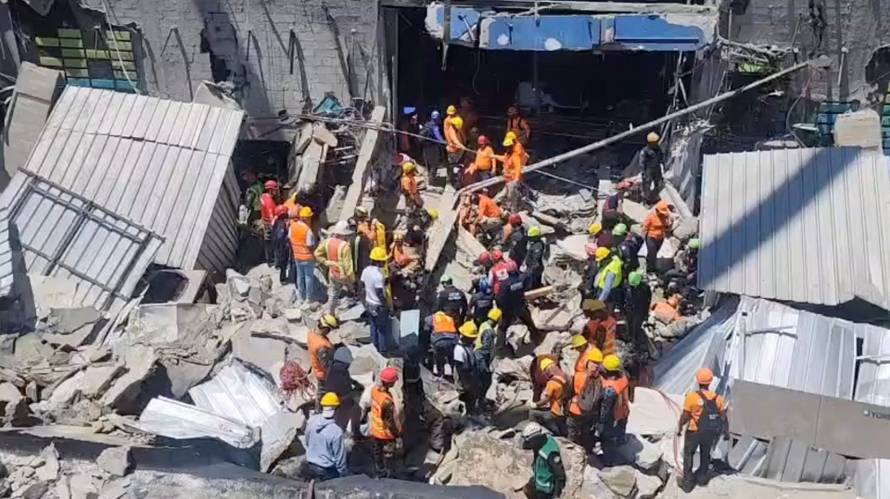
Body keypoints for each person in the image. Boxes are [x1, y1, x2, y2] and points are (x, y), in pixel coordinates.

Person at [677, 368, 729, 492]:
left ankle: (687, 484)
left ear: (698, 380)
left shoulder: (692, 397)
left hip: (693, 431)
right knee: (705, 454)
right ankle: (702, 478)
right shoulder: (718, 398)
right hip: (709, 432)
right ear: (710, 382)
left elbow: (686, 415)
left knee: (689, 455)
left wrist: (679, 426)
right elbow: (723, 417)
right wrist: (726, 432)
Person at [495, 261, 541, 352]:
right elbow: (527, 286)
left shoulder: (505, 284)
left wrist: (501, 309)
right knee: (529, 322)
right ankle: (537, 338)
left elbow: (499, 298)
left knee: (502, 327)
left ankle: (500, 346)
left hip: (508, 309)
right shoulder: (521, 279)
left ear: (507, 272)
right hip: (520, 306)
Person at [302, 392, 348, 480]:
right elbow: (340, 459)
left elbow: (307, 441)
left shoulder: (312, 421)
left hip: (310, 466)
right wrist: (343, 475)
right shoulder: (336, 431)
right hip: (326, 471)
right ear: (337, 409)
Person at [567, 344, 603, 452]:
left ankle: (572, 452)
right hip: (590, 413)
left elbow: (568, 392)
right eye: (594, 363)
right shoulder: (599, 380)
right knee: (586, 434)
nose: (595, 366)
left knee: (572, 433)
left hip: (576, 411)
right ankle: (587, 452)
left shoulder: (578, 376)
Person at [315, 221, 356, 313]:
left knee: (333, 293)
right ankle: (352, 300)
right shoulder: (345, 246)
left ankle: (331, 312)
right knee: (352, 290)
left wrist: (326, 262)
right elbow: (348, 266)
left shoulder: (327, 242)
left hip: (332, 272)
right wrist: (352, 280)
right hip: (343, 274)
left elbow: (317, 253)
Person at [370, 367, 401, 478]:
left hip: (375, 430)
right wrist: (397, 435)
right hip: (385, 434)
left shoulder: (374, 390)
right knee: (388, 455)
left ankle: (379, 472)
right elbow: (390, 422)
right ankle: (389, 477)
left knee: (377, 454)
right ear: (390, 382)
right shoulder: (387, 402)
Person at [521, 423, 566, 499]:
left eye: (529, 441)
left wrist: (556, 494)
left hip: (545, 489)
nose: (528, 443)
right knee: (527, 489)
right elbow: (525, 446)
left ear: (536, 438)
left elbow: (560, 474)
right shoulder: (539, 442)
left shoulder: (550, 453)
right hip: (537, 480)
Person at [361, 247, 392, 354]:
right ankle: (383, 351)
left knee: (373, 326)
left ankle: (374, 349)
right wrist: (387, 306)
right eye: (383, 261)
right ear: (378, 261)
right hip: (379, 306)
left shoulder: (366, 270)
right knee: (382, 329)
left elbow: (363, 285)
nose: (385, 263)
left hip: (369, 303)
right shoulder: (378, 276)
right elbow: (380, 293)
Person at [599, 354, 630, 452]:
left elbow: (605, 409)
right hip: (624, 411)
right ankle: (621, 444)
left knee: (607, 438)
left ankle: (609, 459)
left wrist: (600, 422)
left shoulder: (610, 388)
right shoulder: (623, 377)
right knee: (620, 433)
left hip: (613, 417)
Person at [529, 358, 567, 436]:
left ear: (548, 369)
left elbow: (545, 400)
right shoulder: (564, 377)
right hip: (563, 409)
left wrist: (535, 404)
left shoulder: (552, 383)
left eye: (545, 371)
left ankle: (536, 432)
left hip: (554, 411)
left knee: (533, 413)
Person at [454, 321, 484, 415]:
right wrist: (465, 383)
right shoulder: (459, 350)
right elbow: (460, 369)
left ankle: (471, 412)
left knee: (473, 395)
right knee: (467, 397)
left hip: (470, 376)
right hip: (464, 377)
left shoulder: (467, 346)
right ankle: (467, 415)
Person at [290, 206, 317, 304]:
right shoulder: (307, 230)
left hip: (297, 256)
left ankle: (301, 296)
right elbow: (310, 245)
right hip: (308, 258)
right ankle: (309, 298)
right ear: (307, 218)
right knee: (308, 277)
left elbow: (290, 238)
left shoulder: (293, 226)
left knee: (300, 276)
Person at [308, 314, 339, 394]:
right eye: (329, 330)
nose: (329, 332)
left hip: (317, 368)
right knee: (323, 393)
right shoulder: (321, 347)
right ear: (325, 328)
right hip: (323, 375)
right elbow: (327, 366)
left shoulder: (312, 333)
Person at [624, 271, 652, 351]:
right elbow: (624, 297)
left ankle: (636, 344)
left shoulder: (645, 288)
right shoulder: (627, 286)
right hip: (630, 309)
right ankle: (630, 340)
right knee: (630, 325)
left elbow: (647, 301)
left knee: (636, 327)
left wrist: (646, 313)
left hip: (640, 310)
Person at [354, 207, 386, 276]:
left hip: (370, 249)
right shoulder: (361, 226)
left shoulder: (365, 224)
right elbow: (370, 237)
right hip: (365, 250)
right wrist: (373, 227)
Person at [502, 131, 529, 212]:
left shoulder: (516, 150)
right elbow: (505, 160)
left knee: (512, 195)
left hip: (513, 178)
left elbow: (518, 167)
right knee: (505, 195)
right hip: (508, 178)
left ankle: (514, 210)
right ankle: (509, 208)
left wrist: (517, 178)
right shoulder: (508, 153)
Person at [643, 200, 673, 273]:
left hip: (660, 238)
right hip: (651, 237)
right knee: (652, 253)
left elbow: (667, 227)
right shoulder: (651, 216)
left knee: (654, 253)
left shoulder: (665, 216)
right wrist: (643, 237)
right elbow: (645, 227)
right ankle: (650, 270)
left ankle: (649, 264)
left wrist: (670, 222)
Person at [431, 311, 459, 378]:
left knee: (439, 357)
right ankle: (454, 373)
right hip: (453, 340)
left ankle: (440, 373)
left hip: (439, 341)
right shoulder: (449, 318)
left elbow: (426, 325)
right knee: (451, 357)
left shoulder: (432, 318)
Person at [639, 132, 664, 202]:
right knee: (646, 186)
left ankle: (655, 197)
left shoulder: (658, 149)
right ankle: (646, 200)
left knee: (659, 184)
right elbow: (641, 162)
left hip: (657, 169)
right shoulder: (645, 151)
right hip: (648, 170)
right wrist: (643, 173)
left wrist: (662, 166)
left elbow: (661, 157)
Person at [259, 180, 280, 263]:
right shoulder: (269, 202)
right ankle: (272, 260)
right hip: (270, 224)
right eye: (274, 190)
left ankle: (268, 259)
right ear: (270, 190)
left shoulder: (263, 196)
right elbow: (271, 216)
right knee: (273, 242)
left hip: (264, 221)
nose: (276, 191)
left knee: (267, 242)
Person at [271, 205, 291, 284]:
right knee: (284, 264)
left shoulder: (276, 221)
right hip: (282, 247)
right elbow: (280, 237)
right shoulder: (281, 226)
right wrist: (287, 240)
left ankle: (277, 265)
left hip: (276, 244)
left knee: (278, 258)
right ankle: (282, 279)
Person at [444, 114, 466, 186]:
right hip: (453, 151)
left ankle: (457, 179)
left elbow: (462, 136)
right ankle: (452, 181)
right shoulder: (451, 130)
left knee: (457, 165)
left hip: (458, 150)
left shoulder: (458, 129)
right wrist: (461, 145)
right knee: (452, 166)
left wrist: (464, 142)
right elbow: (455, 140)